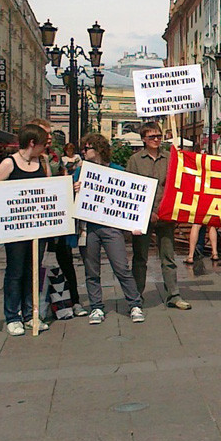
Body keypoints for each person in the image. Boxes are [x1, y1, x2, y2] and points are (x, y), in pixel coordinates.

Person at [73, 133, 145, 325]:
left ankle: (134, 304)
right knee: (91, 269)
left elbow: (129, 199)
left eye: (87, 148)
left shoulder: (116, 170)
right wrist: (73, 189)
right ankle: (96, 307)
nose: (83, 152)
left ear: (98, 150)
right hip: (88, 228)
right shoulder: (80, 171)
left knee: (121, 267)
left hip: (111, 227)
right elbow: (69, 197)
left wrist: (135, 223)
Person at [0, 124, 51, 336]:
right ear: (32, 143)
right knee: (15, 271)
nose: (46, 147)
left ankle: (31, 314)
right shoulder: (9, 163)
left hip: (39, 228)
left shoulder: (41, 163)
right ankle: (12, 316)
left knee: (33, 270)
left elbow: (49, 188)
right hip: (16, 229)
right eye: (43, 143)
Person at [126, 122, 191, 310]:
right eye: (152, 136)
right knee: (140, 258)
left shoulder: (170, 158)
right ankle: (137, 296)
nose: (156, 140)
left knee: (168, 257)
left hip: (166, 215)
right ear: (144, 139)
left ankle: (174, 295)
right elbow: (131, 188)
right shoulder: (135, 160)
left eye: (158, 136)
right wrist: (147, 212)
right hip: (144, 216)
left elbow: (178, 184)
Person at [29, 119, 86, 318]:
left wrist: (71, 186)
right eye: (47, 133)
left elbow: (62, 180)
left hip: (57, 216)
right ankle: (33, 307)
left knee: (65, 259)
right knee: (33, 262)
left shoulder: (54, 158)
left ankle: (73, 301)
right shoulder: (25, 159)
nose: (51, 137)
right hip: (35, 218)